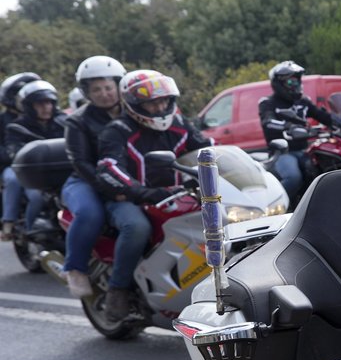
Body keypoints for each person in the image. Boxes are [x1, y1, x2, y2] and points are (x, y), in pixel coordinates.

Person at [95, 69, 211, 323]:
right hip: (130, 200)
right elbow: (108, 168)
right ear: (135, 105)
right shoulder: (118, 130)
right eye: (151, 102)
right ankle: (119, 289)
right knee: (136, 227)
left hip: (178, 196)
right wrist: (143, 192)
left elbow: (208, 150)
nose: (159, 107)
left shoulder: (180, 125)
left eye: (163, 101)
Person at [61, 56, 127, 298]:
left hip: (127, 179)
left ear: (119, 86)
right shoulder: (77, 120)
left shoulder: (134, 111)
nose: (105, 94)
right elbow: (80, 163)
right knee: (91, 213)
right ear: (86, 92)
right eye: (96, 89)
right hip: (85, 180)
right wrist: (111, 189)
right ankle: (75, 268)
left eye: (109, 87)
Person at [259, 60, 336, 199]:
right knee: (293, 177)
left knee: (324, 170)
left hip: (304, 150)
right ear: (279, 83)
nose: (296, 85)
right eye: (291, 82)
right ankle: (273, 204)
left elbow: (322, 116)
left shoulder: (303, 102)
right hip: (283, 152)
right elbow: (267, 121)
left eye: (297, 81)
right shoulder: (268, 103)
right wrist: (287, 126)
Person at [2, 79, 67, 240]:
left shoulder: (63, 123)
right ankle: (25, 230)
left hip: (59, 170)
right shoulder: (17, 127)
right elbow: (13, 152)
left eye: (49, 103)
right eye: (40, 104)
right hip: (29, 172)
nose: (46, 108)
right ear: (29, 106)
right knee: (32, 194)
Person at [0, 71, 41, 241]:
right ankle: (8, 221)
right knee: (14, 180)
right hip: (12, 165)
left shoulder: (39, 117)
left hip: (40, 164)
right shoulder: (3, 121)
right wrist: (14, 155)